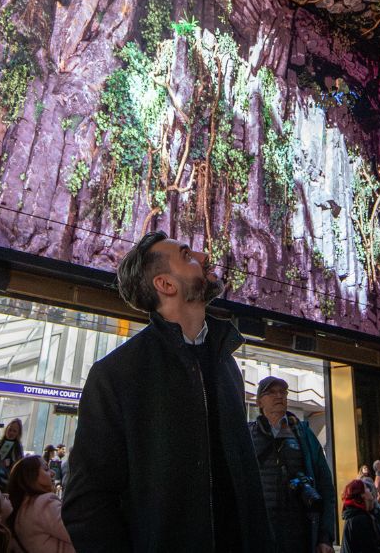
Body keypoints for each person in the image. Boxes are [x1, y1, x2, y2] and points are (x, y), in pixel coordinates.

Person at [61, 231, 272, 552]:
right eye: (187, 255)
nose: (202, 256)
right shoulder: (115, 375)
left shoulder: (226, 365)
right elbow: (87, 503)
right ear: (166, 285)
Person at [249, 374, 336, 553]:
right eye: (271, 392)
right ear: (259, 402)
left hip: (298, 531)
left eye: (283, 392)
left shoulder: (304, 435)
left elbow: (326, 486)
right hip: (259, 530)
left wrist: (325, 536)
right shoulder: (248, 436)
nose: (279, 396)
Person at [7, 454, 74, 553]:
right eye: (46, 469)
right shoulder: (45, 503)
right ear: (31, 477)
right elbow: (78, 532)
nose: (53, 473)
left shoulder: (21, 509)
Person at [341, 480, 380, 553]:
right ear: (362, 495)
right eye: (366, 488)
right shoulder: (360, 519)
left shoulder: (356, 516)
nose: (370, 490)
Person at [0, 418, 25, 488]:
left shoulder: (18, 449)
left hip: (7, 482)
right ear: (6, 429)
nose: (11, 433)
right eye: (10, 430)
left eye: (14, 431)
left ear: (18, 434)